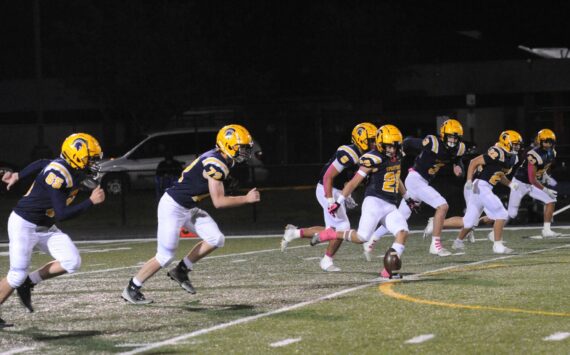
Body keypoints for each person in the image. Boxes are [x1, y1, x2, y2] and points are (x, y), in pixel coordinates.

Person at [121, 124, 261, 305]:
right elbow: (219, 202)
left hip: (189, 207)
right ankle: (132, 288)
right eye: (241, 148)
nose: (245, 152)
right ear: (228, 145)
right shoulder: (216, 163)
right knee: (165, 256)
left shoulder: (223, 159)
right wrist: (246, 199)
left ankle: (181, 270)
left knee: (216, 238)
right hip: (172, 207)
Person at [0, 133, 105, 327]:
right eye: (91, 159)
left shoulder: (68, 166)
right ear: (76, 156)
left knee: (72, 261)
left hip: (45, 226)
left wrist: (17, 175)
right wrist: (90, 201)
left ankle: (29, 282)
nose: (94, 163)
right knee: (16, 274)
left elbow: (41, 162)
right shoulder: (56, 175)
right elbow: (62, 214)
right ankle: (21, 281)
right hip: (24, 223)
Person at [310, 124, 412, 278]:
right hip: (374, 202)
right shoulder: (372, 158)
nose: (392, 150)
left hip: (390, 205)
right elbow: (353, 182)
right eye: (388, 146)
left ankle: (388, 271)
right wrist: (338, 201)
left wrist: (407, 198)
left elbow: (396, 179)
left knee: (403, 232)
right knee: (361, 237)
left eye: (395, 146)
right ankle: (332, 234)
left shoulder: (397, 156)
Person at [280, 122, 379, 271]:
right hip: (327, 188)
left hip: (337, 189)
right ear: (361, 139)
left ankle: (294, 233)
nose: (374, 143)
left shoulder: (365, 155)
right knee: (342, 227)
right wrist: (331, 200)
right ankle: (326, 261)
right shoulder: (350, 154)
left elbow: (348, 178)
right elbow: (328, 177)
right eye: (371, 140)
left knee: (332, 229)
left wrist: (347, 193)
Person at [363, 118, 467, 257]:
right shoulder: (433, 143)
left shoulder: (459, 149)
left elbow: (457, 160)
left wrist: (458, 167)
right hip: (415, 179)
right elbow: (408, 142)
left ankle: (372, 239)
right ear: (443, 135)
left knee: (400, 217)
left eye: (456, 138)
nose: (453, 141)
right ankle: (435, 245)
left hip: (422, 182)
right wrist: (396, 154)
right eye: (450, 137)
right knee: (442, 206)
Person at [451, 130, 522, 254]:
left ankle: (452, 237)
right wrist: (468, 180)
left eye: (518, 144)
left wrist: (510, 184)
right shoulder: (497, 152)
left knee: (469, 221)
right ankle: (497, 245)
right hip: (480, 185)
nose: (517, 147)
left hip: (485, 187)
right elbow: (474, 162)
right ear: (506, 142)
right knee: (501, 213)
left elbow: (499, 174)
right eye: (514, 144)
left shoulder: (513, 158)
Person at [505, 128, 560, 238]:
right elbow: (532, 179)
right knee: (511, 213)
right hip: (520, 183)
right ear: (540, 141)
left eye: (550, 142)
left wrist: (545, 176)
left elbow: (542, 168)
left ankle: (547, 230)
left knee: (551, 200)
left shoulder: (552, 153)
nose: (548, 144)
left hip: (532, 184)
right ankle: (480, 223)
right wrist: (546, 189)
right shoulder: (533, 154)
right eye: (545, 141)